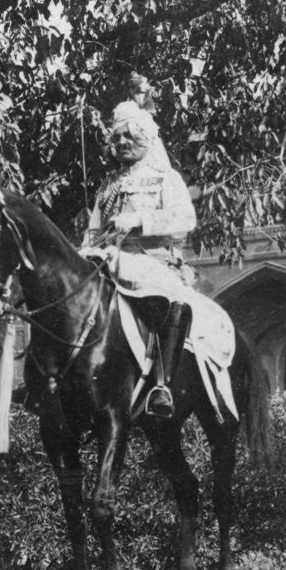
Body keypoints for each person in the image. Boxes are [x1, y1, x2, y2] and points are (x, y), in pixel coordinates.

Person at [82, 97, 197, 418]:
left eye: (129, 136)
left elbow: (186, 220)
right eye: (116, 137)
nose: (121, 142)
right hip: (108, 261)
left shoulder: (166, 178)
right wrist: (84, 252)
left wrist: (139, 222)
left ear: (146, 137)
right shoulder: (107, 185)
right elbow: (93, 231)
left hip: (153, 262)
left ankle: (162, 383)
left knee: (169, 297)